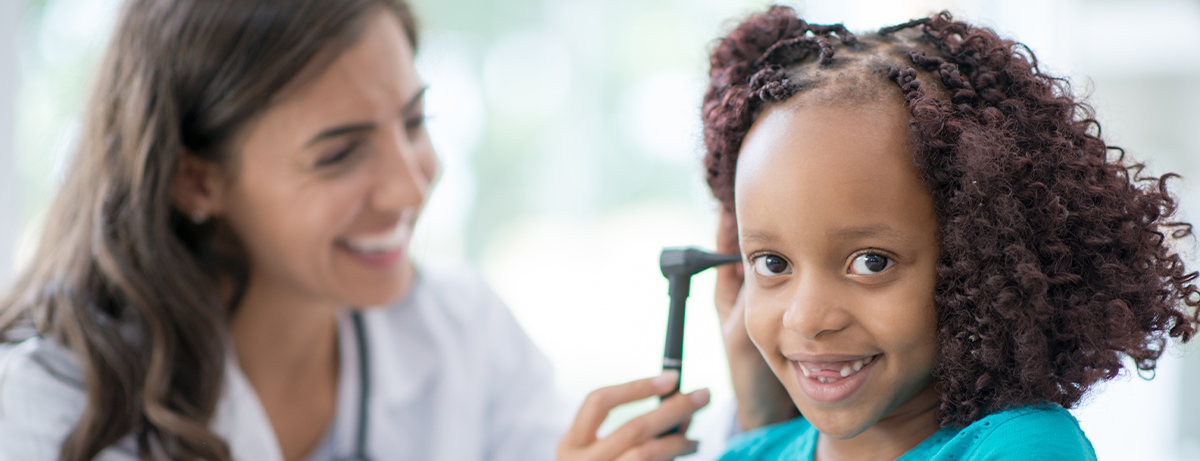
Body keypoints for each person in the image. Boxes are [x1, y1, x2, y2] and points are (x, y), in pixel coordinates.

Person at [0, 1, 726, 460]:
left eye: (414, 122)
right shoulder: (51, 404)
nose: (413, 184)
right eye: (340, 153)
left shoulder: (463, 332)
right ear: (196, 177)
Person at [698, 6, 1199, 460]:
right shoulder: (750, 453)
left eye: (872, 261)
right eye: (772, 263)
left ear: (980, 265)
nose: (806, 318)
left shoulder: (1023, 448)